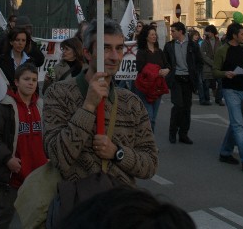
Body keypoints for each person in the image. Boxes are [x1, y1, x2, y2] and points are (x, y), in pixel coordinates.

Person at [43, 18, 158, 186]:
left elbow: (150, 164)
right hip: (78, 205)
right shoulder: (58, 94)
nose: (114, 57)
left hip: (120, 206)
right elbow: (58, 158)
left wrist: (117, 152)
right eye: (105, 48)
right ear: (87, 53)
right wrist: (88, 107)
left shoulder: (132, 102)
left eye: (119, 49)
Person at [0, 62, 48, 229]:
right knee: (3, 217)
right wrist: (7, 158)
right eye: (26, 79)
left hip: (38, 175)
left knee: (39, 218)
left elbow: (50, 135)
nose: (31, 83)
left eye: (34, 79)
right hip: (12, 175)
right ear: (16, 82)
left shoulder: (42, 105)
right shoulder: (4, 106)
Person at [213, 22, 243, 174]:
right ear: (234, 35)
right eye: (242, 34)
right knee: (239, 125)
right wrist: (225, 73)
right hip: (230, 90)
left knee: (235, 123)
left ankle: (225, 153)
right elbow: (215, 71)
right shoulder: (222, 50)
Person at [57, 186, 197, 229]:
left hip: (128, 207)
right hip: (79, 202)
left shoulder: (135, 115)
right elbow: (61, 157)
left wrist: (118, 153)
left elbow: (149, 163)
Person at [163, 21, 203, 145]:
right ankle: (172, 132)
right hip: (176, 79)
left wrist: (195, 74)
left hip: (188, 79)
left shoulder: (192, 45)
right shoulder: (169, 46)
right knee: (178, 106)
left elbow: (199, 61)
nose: (171, 33)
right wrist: (169, 72)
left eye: (173, 31)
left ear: (180, 31)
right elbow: (166, 62)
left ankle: (183, 133)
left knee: (186, 108)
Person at [135, 25, 170, 132]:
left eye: (155, 34)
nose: (154, 36)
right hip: (145, 88)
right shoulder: (141, 52)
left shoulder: (159, 51)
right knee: (149, 117)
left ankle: (150, 142)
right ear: (146, 37)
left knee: (153, 118)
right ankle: (148, 144)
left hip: (157, 88)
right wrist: (156, 72)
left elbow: (167, 64)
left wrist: (167, 70)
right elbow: (140, 69)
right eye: (152, 34)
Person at [0, 23, 44, 89]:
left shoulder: (31, 62)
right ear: (11, 42)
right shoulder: (0, 60)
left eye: (23, 40)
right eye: (17, 40)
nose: (20, 43)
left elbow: (34, 85)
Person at [200, 25, 224, 106]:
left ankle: (219, 99)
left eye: (209, 31)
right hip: (207, 67)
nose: (207, 33)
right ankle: (207, 99)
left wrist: (218, 63)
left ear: (213, 32)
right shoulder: (204, 42)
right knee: (206, 84)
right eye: (207, 32)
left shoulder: (219, 42)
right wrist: (212, 63)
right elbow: (203, 55)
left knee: (220, 83)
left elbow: (221, 53)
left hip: (217, 67)